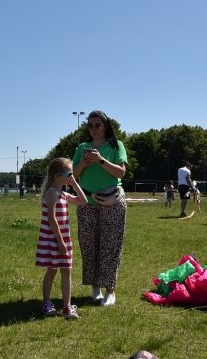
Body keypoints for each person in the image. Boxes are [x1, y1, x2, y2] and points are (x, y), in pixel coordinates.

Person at [72, 110, 128, 307]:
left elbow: (121, 172)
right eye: (90, 125)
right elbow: (73, 175)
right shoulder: (82, 147)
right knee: (89, 245)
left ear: (106, 126)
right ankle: (95, 287)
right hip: (86, 201)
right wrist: (84, 164)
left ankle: (110, 290)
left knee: (110, 246)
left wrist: (100, 161)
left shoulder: (115, 146)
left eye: (98, 125)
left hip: (111, 201)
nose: (93, 129)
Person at [36, 157, 88, 320]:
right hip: (54, 239)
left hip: (64, 238)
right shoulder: (52, 193)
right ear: (57, 176)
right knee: (51, 271)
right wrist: (60, 242)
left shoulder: (64, 193)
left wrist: (74, 184)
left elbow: (83, 201)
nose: (72, 176)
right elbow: (52, 219)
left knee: (66, 272)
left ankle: (67, 306)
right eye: (69, 174)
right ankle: (46, 302)